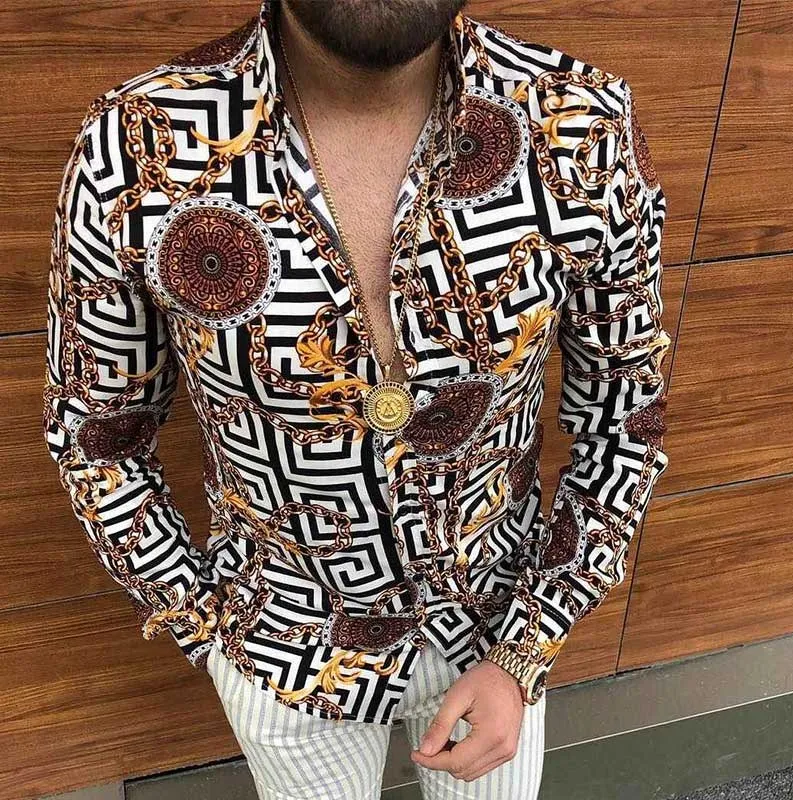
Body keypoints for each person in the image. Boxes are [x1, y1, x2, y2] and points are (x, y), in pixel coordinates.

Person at [41, 0, 670, 797]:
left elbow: (626, 419)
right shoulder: (134, 146)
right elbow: (97, 439)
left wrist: (527, 643)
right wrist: (210, 627)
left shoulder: (579, 126)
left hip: (497, 627)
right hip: (280, 644)